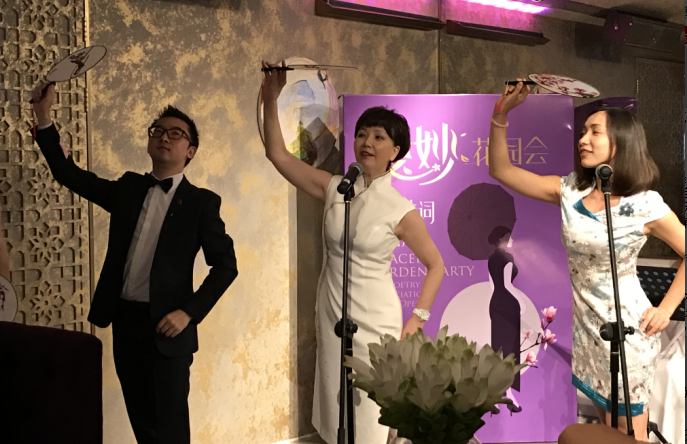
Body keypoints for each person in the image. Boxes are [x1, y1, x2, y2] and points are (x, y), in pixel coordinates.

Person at [30, 84, 238, 444]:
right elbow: (69, 174)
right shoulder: (128, 189)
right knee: (142, 424)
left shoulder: (201, 203)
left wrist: (188, 313)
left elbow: (226, 266)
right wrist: (43, 115)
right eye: (157, 130)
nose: (164, 137)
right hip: (126, 322)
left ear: (191, 151)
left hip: (168, 328)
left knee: (169, 431)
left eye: (176, 133)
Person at [487, 80, 685, 441]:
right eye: (583, 132)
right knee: (605, 432)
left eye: (595, 132)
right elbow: (502, 170)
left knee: (628, 434)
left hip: (627, 332)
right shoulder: (570, 190)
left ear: (621, 142)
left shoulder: (646, 204)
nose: (583, 139)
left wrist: (666, 308)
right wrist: (500, 116)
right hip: (588, 331)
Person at [261, 61, 444, 443]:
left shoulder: (400, 208)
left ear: (396, 150)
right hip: (333, 313)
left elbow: (435, 265)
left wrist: (417, 319)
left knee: (371, 412)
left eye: (379, 136)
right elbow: (278, 155)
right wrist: (271, 95)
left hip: (376, 320)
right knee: (336, 409)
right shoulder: (336, 188)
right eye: (362, 134)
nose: (367, 142)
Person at [487, 226, 522, 416]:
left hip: (495, 303)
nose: (512, 240)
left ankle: (497, 394)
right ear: (503, 239)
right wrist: (521, 302)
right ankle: (507, 394)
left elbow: (493, 285)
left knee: (498, 349)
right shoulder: (507, 258)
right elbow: (508, 285)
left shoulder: (491, 259)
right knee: (509, 351)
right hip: (508, 305)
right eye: (509, 237)